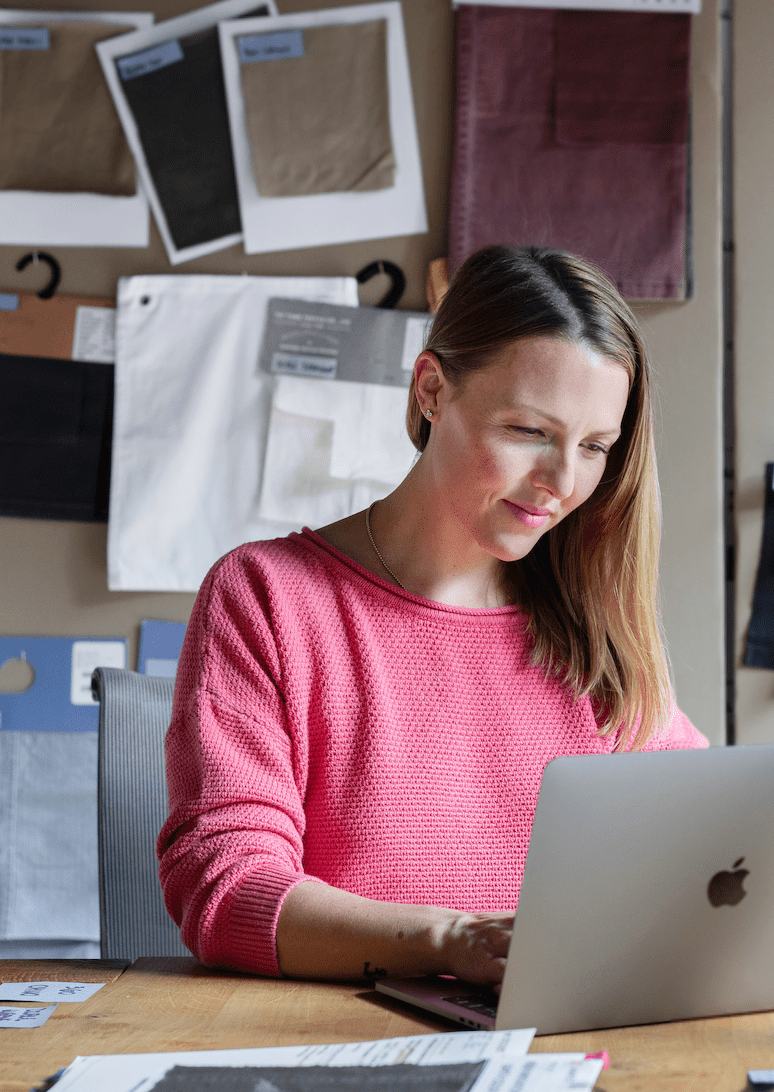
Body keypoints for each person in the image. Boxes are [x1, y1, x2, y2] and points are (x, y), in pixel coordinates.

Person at [159, 245, 708, 986]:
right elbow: (225, 893)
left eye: (594, 447)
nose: (561, 482)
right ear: (431, 390)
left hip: (559, 1044)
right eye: (529, 432)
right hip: (337, 1044)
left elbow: (711, 838)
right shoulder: (267, 595)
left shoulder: (590, 629)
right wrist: (451, 942)